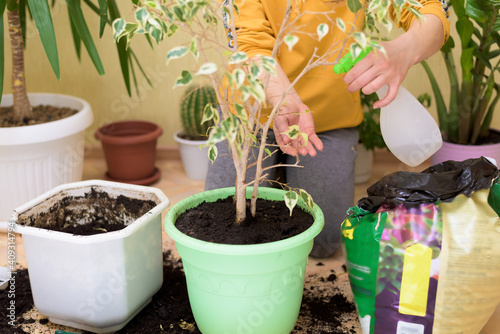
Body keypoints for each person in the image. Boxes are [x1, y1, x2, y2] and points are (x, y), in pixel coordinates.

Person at [206, 0, 451, 258]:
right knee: (221, 225)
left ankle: (280, 175)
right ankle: (277, 173)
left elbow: (432, 8)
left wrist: (404, 50)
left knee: (324, 242)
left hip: (327, 120)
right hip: (250, 113)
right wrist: (281, 99)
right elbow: (250, 43)